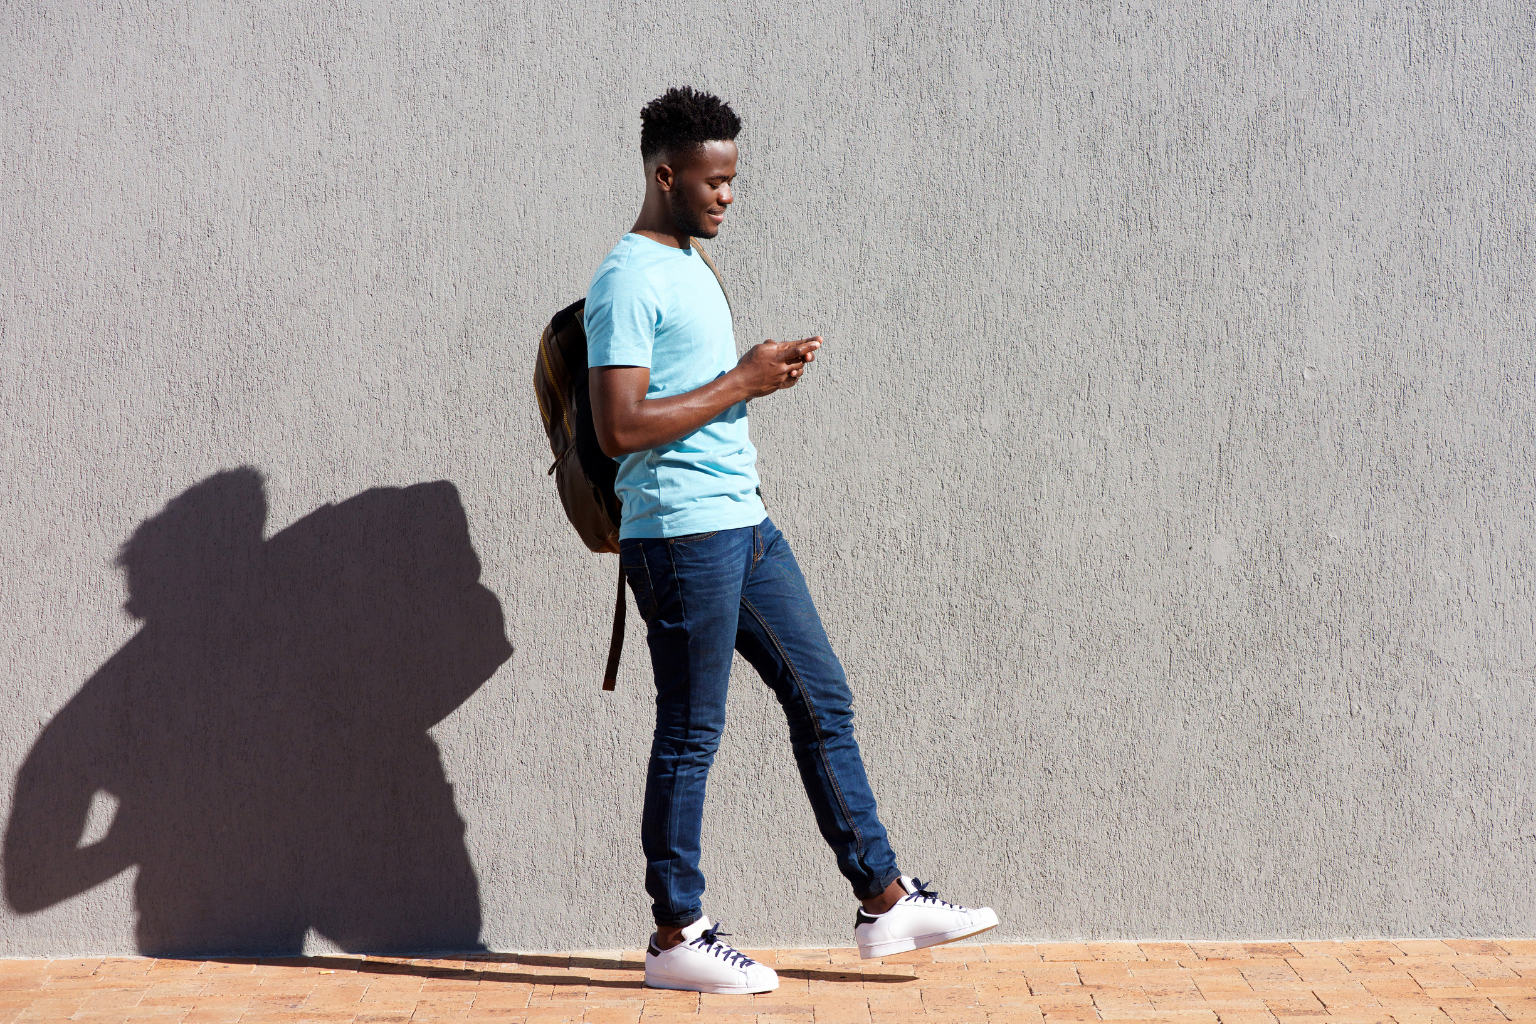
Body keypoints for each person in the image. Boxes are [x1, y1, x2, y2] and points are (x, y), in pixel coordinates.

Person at [584, 86, 998, 996]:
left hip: (745, 525)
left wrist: (755, 379)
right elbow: (618, 427)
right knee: (691, 733)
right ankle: (675, 932)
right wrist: (742, 380)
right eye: (714, 181)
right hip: (684, 539)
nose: (728, 195)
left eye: (733, 180)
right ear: (665, 174)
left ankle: (884, 901)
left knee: (824, 700)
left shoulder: (687, 261)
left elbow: (695, 393)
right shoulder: (628, 278)